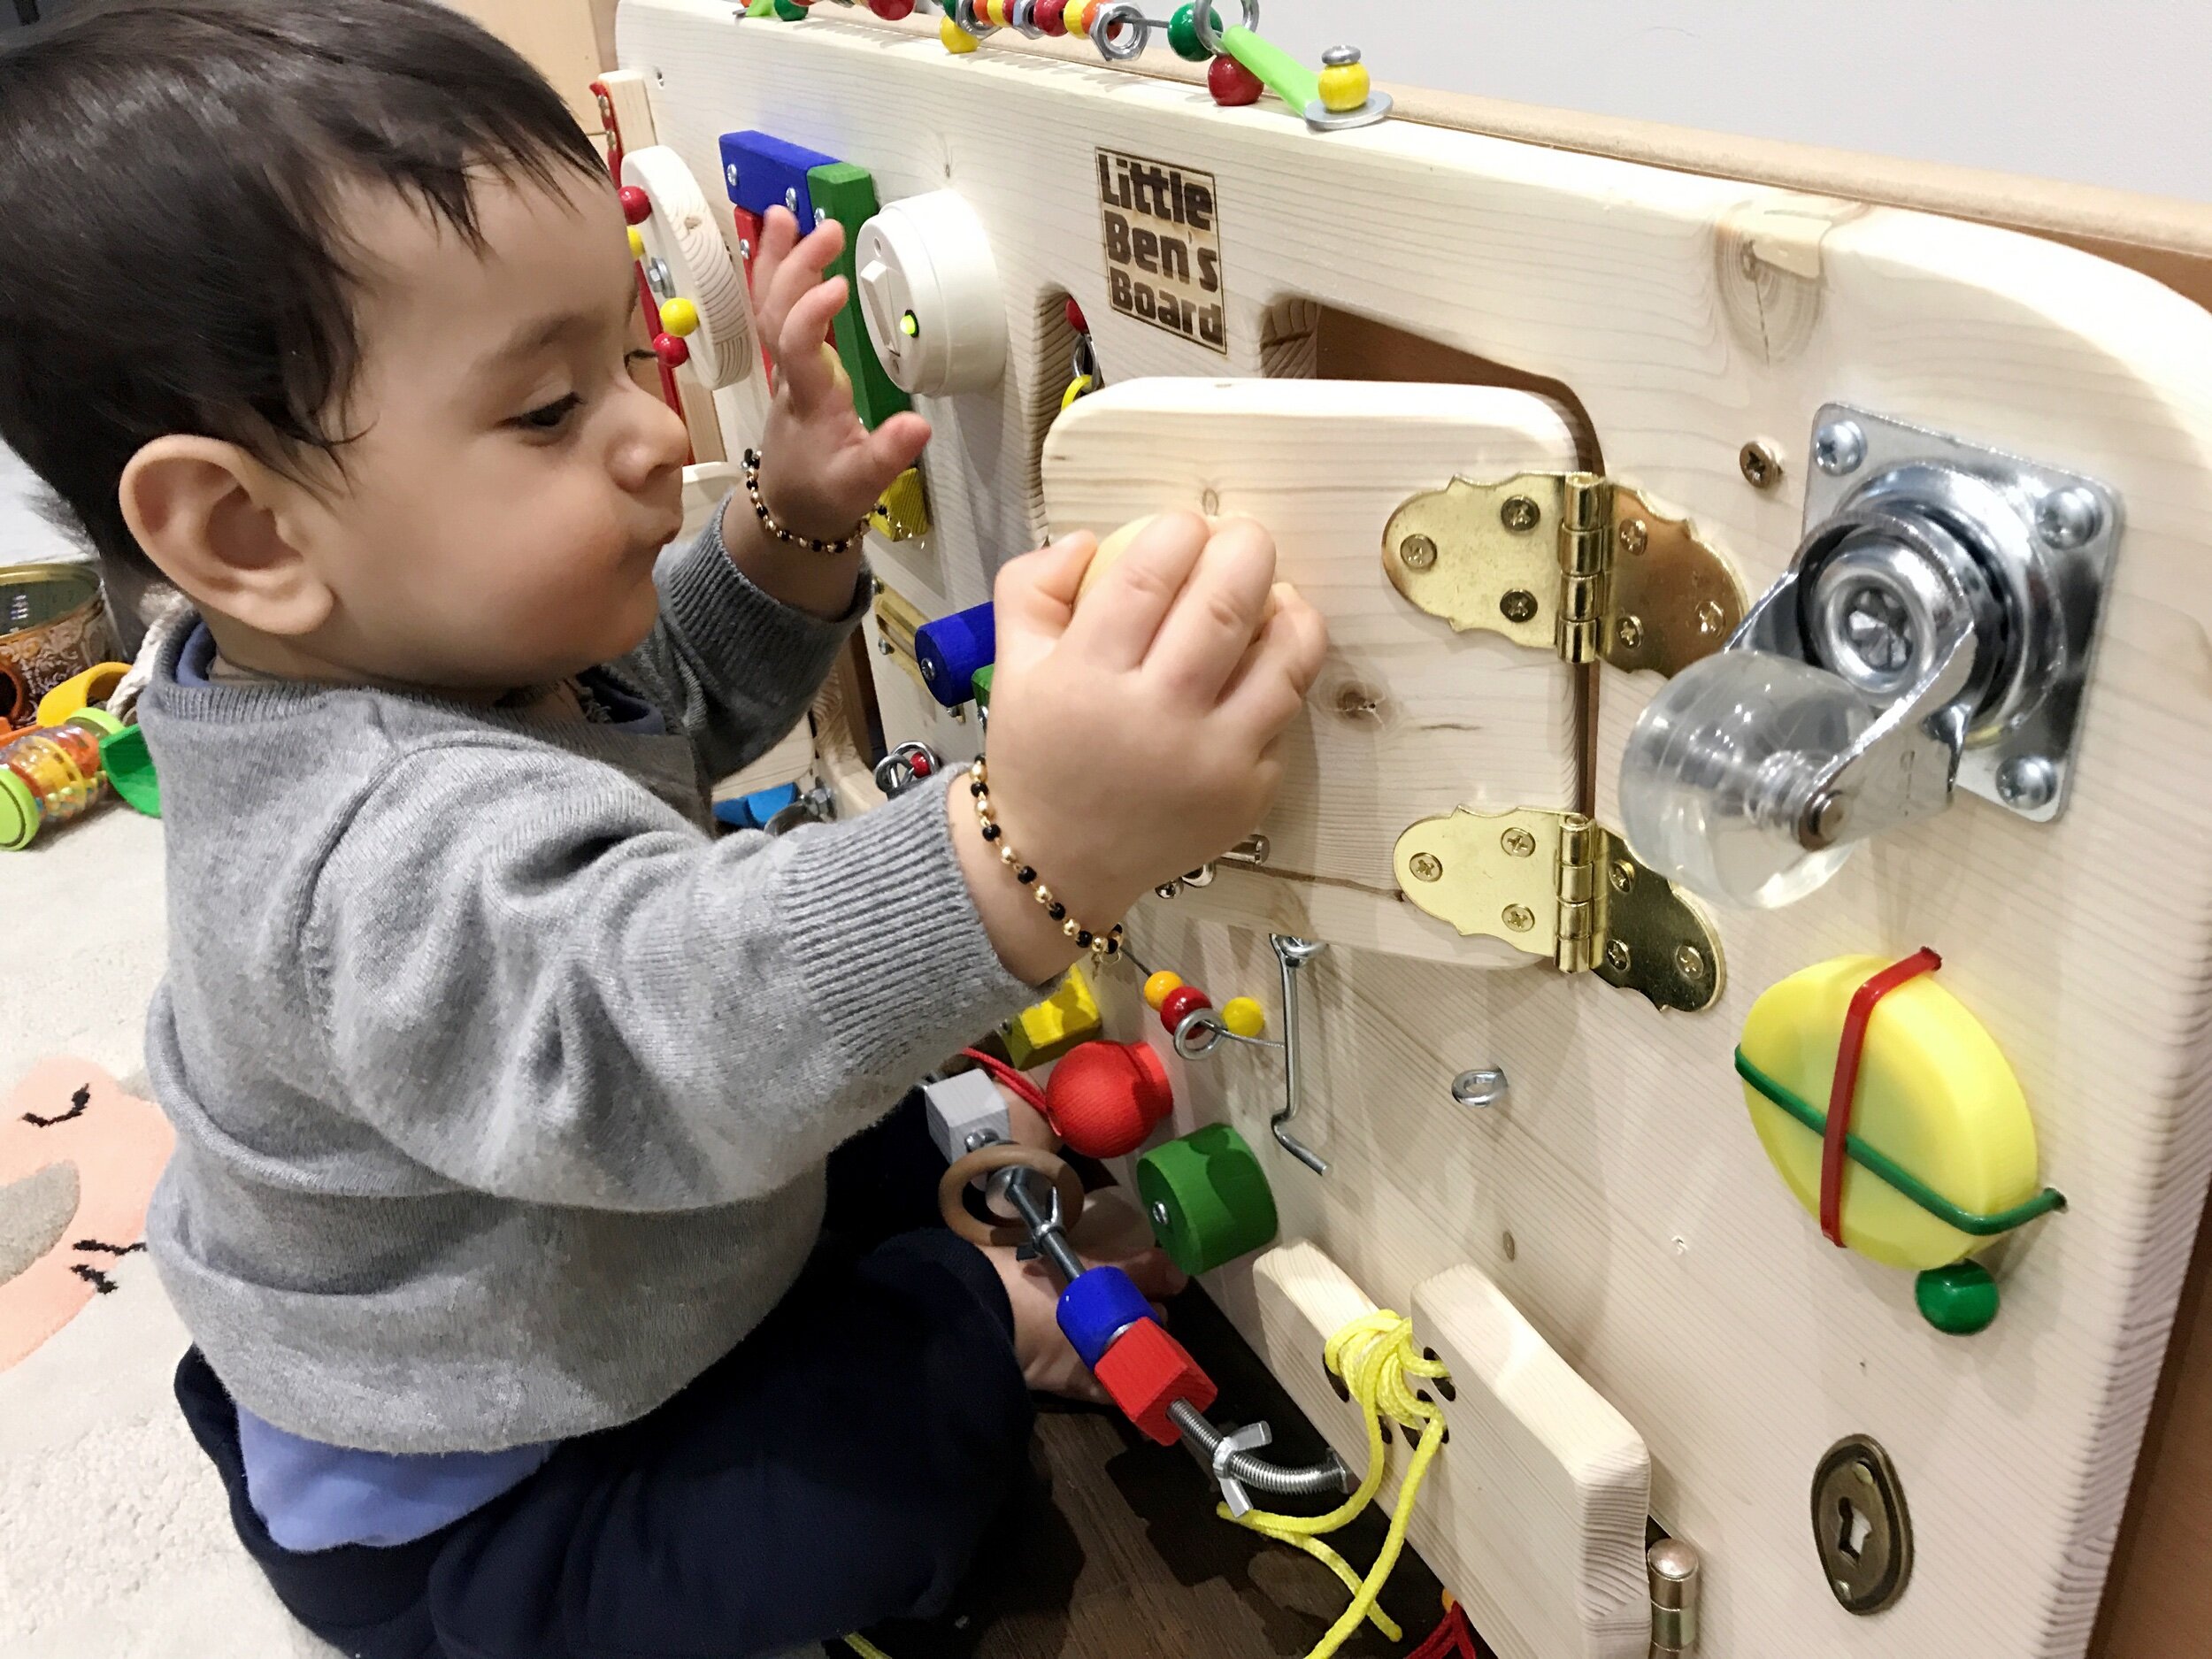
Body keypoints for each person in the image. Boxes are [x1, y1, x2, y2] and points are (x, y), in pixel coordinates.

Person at [0, 3, 1328, 1655]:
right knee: (890, 1475)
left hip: (566, 1232)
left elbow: (666, 694)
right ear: (244, 528)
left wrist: (791, 517)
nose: (651, 430)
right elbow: (674, 1026)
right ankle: (980, 1314)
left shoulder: (419, 643)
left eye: (629, 356)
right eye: (548, 411)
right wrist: (1032, 838)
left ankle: (922, 1253)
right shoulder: (363, 861)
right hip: (495, 1488)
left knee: (863, 1122)